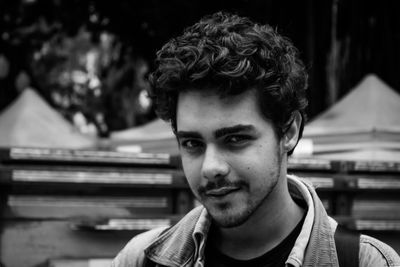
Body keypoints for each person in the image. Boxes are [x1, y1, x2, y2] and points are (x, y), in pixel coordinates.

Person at [112, 12, 400, 267]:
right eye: (193, 144)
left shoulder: (366, 262)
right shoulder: (141, 259)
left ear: (288, 132)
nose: (211, 168)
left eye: (235, 139)